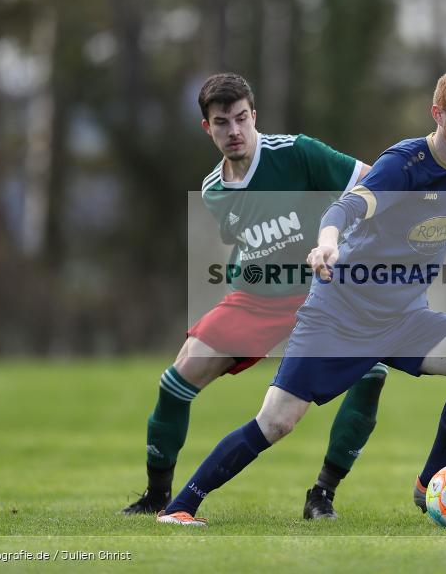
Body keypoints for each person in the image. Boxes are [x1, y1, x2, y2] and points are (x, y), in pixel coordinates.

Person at [157, 67, 446, 527]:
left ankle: (430, 483)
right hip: (340, 315)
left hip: (403, 317)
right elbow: (348, 204)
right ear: (438, 114)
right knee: (276, 422)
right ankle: (180, 505)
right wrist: (327, 241)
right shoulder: (401, 164)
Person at [122, 72, 388, 520]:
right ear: (207, 128)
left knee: (372, 373)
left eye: (242, 118)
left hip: (326, 295)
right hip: (257, 296)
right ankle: (156, 497)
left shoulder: (298, 152)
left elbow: (372, 181)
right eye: (222, 122)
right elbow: (246, 241)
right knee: (176, 382)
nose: (235, 131)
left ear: (255, 116)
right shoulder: (214, 191)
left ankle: (322, 493)